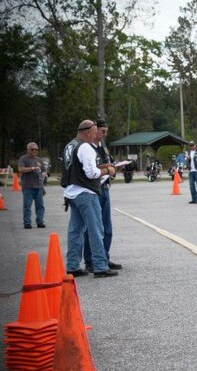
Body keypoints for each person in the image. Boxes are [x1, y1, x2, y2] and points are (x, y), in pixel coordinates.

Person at [61, 119, 118, 277]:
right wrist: (108, 171)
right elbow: (91, 173)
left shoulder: (70, 145)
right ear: (87, 132)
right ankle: (100, 266)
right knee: (96, 230)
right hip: (86, 193)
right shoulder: (85, 146)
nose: (95, 136)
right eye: (94, 133)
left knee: (76, 231)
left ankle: (72, 266)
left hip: (72, 192)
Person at [83, 119, 122, 272]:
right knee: (92, 227)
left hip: (105, 188)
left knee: (107, 227)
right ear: (94, 131)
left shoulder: (103, 147)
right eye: (102, 131)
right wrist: (107, 168)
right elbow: (91, 168)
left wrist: (114, 167)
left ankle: (104, 257)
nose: (105, 134)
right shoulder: (87, 148)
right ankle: (90, 261)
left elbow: (108, 162)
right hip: (93, 190)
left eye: (106, 131)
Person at [17, 142, 47, 229]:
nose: (34, 151)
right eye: (32, 149)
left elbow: (44, 171)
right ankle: (27, 223)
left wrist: (44, 174)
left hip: (39, 187)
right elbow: (20, 169)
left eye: (36, 149)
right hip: (28, 186)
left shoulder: (39, 160)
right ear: (28, 150)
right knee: (27, 206)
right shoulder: (23, 159)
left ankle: (40, 222)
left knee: (40, 206)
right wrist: (32, 168)